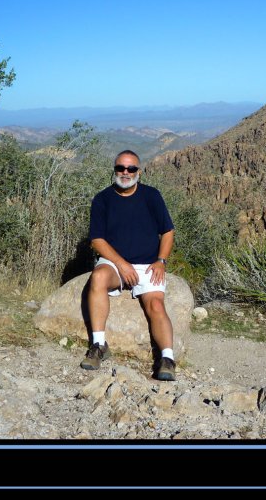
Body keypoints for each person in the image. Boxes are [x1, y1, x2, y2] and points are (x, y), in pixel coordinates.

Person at [81, 149, 177, 381]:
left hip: (148, 265)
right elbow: (97, 240)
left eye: (131, 168)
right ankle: (99, 345)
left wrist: (161, 261)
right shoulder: (102, 199)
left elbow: (167, 231)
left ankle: (167, 358)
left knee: (155, 305)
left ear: (139, 172)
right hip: (115, 263)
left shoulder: (151, 196)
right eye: (120, 168)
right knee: (99, 278)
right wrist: (121, 264)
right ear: (114, 170)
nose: (125, 173)